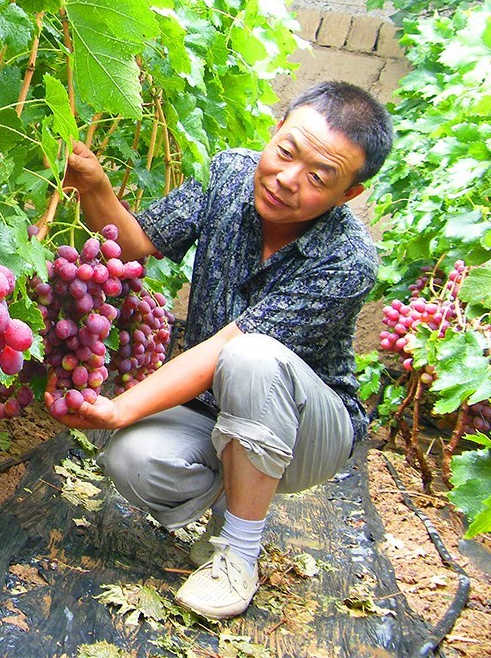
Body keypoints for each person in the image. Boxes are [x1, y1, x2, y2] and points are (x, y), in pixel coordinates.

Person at [46, 80, 395, 620]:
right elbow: (140, 243)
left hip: (310, 430)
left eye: (318, 177)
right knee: (130, 460)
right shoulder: (230, 174)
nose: (286, 179)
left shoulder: (348, 259)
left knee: (252, 355)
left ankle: (237, 556)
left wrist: (120, 408)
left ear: (348, 195)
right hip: (216, 407)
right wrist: (94, 186)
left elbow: (231, 348)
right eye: (285, 152)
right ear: (277, 131)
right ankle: (236, 495)